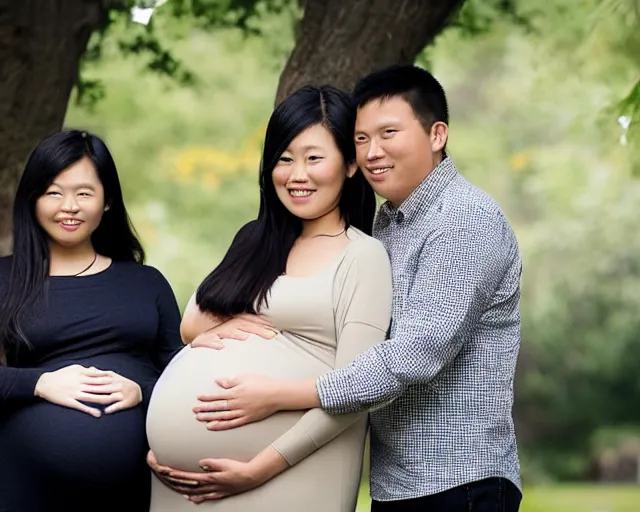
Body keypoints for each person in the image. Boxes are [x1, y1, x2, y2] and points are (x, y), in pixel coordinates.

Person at [186, 65, 524, 511]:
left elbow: (413, 357)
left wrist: (278, 395)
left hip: (456, 479)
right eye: (362, 139)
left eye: (388, 133)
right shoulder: (389, 223)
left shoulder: (464, 219)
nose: (372, 152)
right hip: (399, 482)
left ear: (437, 134)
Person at [144, 85, 393, 511]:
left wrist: (259, 466)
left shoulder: (362, 256)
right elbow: (191, 323)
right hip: (182, 486)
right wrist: (226, 324)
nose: (297, 175)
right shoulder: (256, 241)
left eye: (314, 158)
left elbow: (356, 391)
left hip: (288, 474)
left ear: (350, 165)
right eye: (284, 159)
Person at [0, 130, 183, 512]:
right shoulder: (5, 278)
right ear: (33, 200)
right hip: (24, 486)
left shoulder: (145, 282)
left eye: (84, 193)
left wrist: (140, 391)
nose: (69, 206)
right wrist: (40, 382)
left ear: (108, 202)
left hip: (132, 491)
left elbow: (180, 376)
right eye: (53, 192)